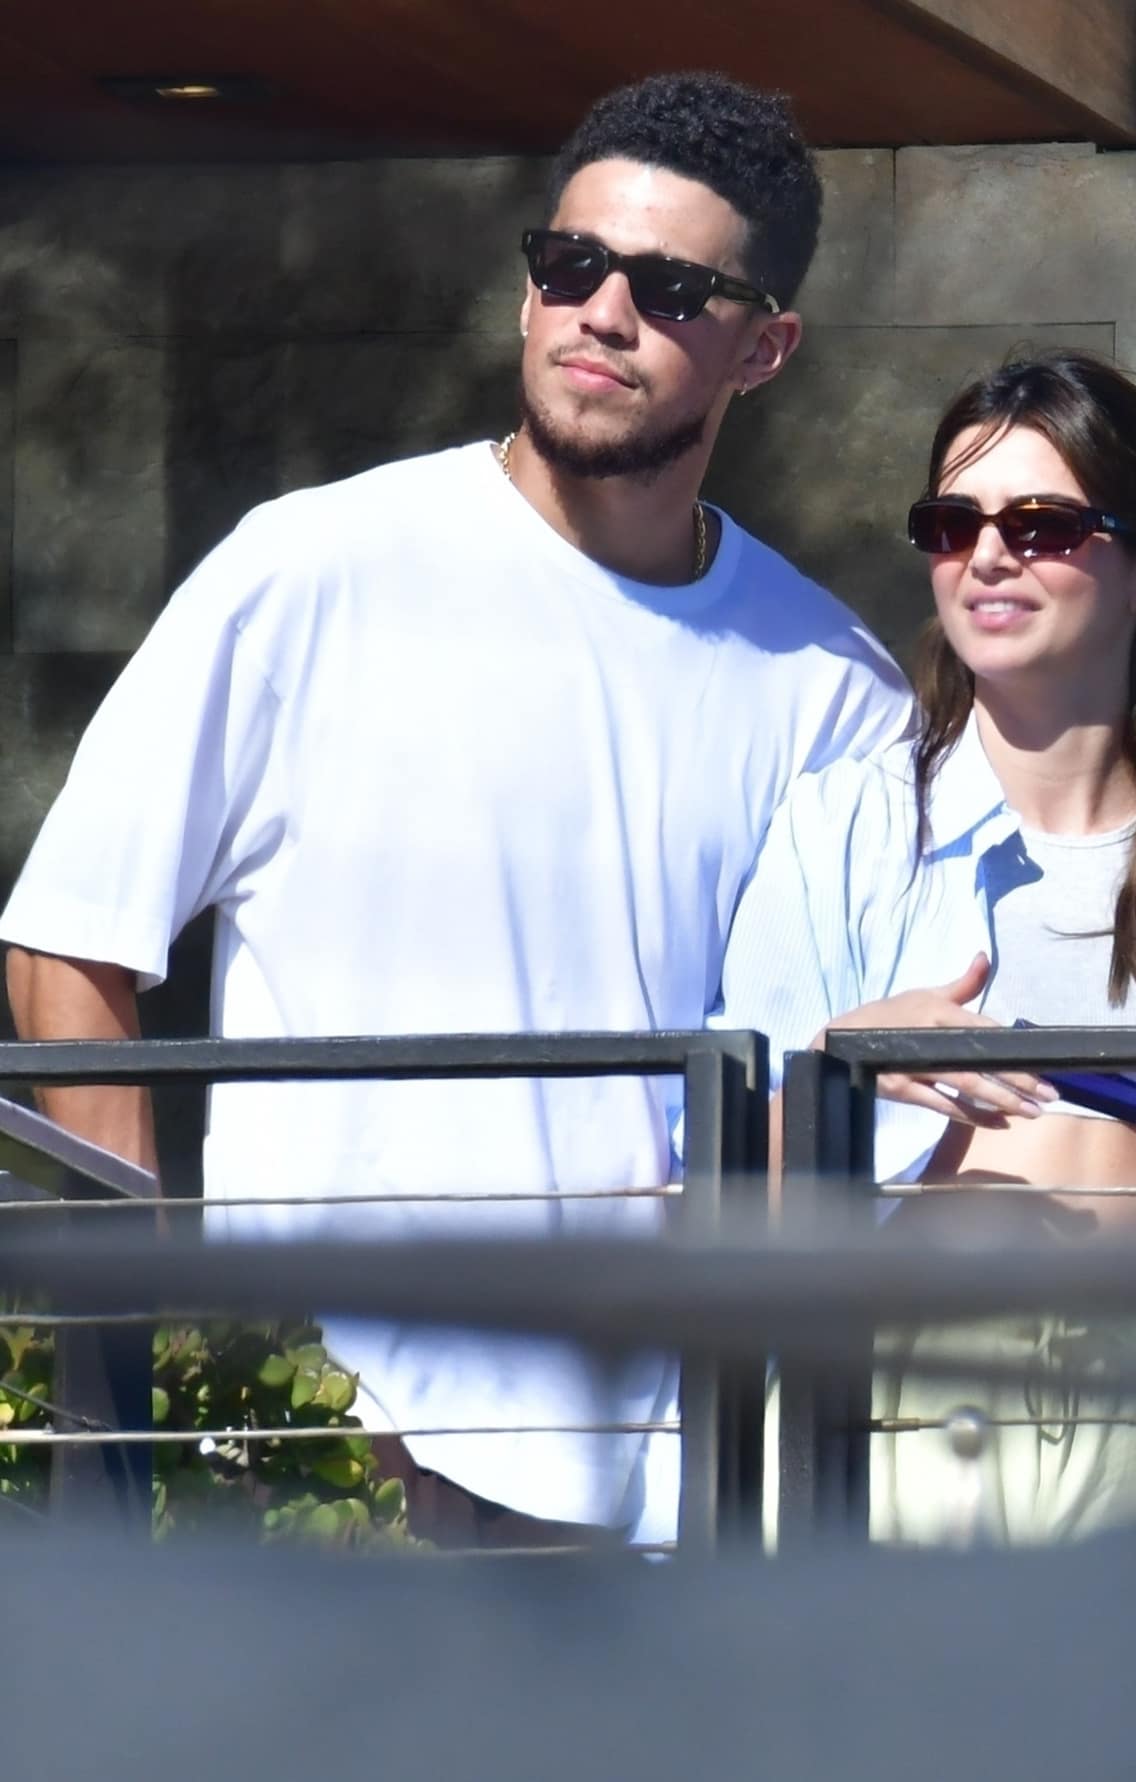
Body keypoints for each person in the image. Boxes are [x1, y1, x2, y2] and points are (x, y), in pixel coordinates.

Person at [0, 71, 911, 1547]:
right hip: (327, 1452)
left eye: (671, 288)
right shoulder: (312, 569)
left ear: (766, 346)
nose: (601, 313)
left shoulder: (831, 684)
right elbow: (70, 943)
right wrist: (159, 1348)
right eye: (571, 263)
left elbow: (837, 1082)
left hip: (671, 1477)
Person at [714, 348, 1136, 1544]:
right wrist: (836, 1075)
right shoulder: (843, 832)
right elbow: (716, 1210)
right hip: (882, 1419)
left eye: (1040, 525)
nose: (987, 556)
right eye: (951, 523)